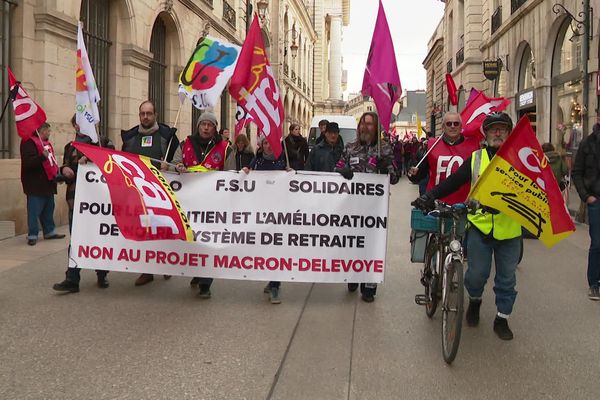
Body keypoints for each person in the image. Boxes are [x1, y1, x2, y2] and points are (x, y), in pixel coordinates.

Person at [413, 112, 522, 340]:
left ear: (509, 133)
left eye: (502, 129)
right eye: (493, 129)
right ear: (486, 134)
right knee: (475, 276)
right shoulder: (477, 158)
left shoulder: (520, 158)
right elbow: (454, 181)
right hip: (480, 227)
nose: (498, 133)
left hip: (509, 230)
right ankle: (474, 301)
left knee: (506, 279)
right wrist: (430, 195)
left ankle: (502, 318)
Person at [334, 111, 400, 303]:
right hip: (351, 207)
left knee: (371, 246)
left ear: (376, 128)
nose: (365, 127)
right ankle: (353, 276)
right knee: (352, 244)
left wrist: (386, 165)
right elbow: (336, 168)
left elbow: (394, 178)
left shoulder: (384, 148)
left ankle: (369, 285)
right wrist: (341, 171)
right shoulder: (350, 147)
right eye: (362, 124)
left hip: (374, 209)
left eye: (369, 124)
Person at [172, 111, 231, 298]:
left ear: (215, 128)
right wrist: (177, 167)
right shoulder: (185, 144)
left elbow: (231, 174)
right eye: (203, 124)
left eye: (210, 124)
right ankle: (197, 272)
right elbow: (173, 163)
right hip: (189, 203)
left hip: (212, 205)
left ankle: (206, 283)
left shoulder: (225, 148)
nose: (206, 127)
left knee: (208, 242)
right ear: (198, 126)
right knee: (192, 240)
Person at [52, 115, 113, 293]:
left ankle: (102, 273)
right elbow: (64, 167)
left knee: (100, 238)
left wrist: (93, 160)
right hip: (76, 201)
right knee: (76, 239)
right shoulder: (70, 147)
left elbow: (112, 168)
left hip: (99, 203)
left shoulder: (104, 143)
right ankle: (72, 278)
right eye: (76, 124)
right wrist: (64, 170)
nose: (79, 127)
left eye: (82, 123)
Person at [121, 100, 179, 286]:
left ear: (155, 115)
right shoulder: (130, 137)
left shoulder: (167, 136)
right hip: (139, 194)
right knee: (144, 231)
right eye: (142, 114)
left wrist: (168, 165)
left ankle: (165, 264)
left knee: (163, 229)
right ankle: (147, 271)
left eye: (149, 113)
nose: (145, 117)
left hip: (161, 192)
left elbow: (178, 161)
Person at [242, 136, 287, 304]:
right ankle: (271, 279)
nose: (269, 146)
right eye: (266, 143)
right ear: (261, 145)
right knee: (264, 249)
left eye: (272, 142)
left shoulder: (285, 162)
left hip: (278, 215)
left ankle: (275, 285)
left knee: (276, 248)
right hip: (260, 213)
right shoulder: (256, 162)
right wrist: (246, 172)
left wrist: (291, 175)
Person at [407, 111, 480, 203]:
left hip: (463, 204)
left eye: (456, 123)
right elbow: (419, 174)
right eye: (449, 124)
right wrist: (414, 174)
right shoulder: (430, 146)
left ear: (461, 126)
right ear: (443, 127)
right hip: (435, 202)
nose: (452, 126)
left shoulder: (474, 146)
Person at [20, 122, 66, 246]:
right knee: (34, 211)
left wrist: (57, 175)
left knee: (48, 208)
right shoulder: (28, 142)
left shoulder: (46, 143)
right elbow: (28, 162)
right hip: (35, 183)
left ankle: (49, 231)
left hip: (48, 183)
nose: (49, 133)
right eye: (48, 130)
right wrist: (41, 157)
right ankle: (33, 234)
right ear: (41, 130)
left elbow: (52, 162)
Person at [572, 113, 600, 301]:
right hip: (596, 199)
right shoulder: (587, 143)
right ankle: (594, 284)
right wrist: (586, 196)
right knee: (597, 243)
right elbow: (577, 172)